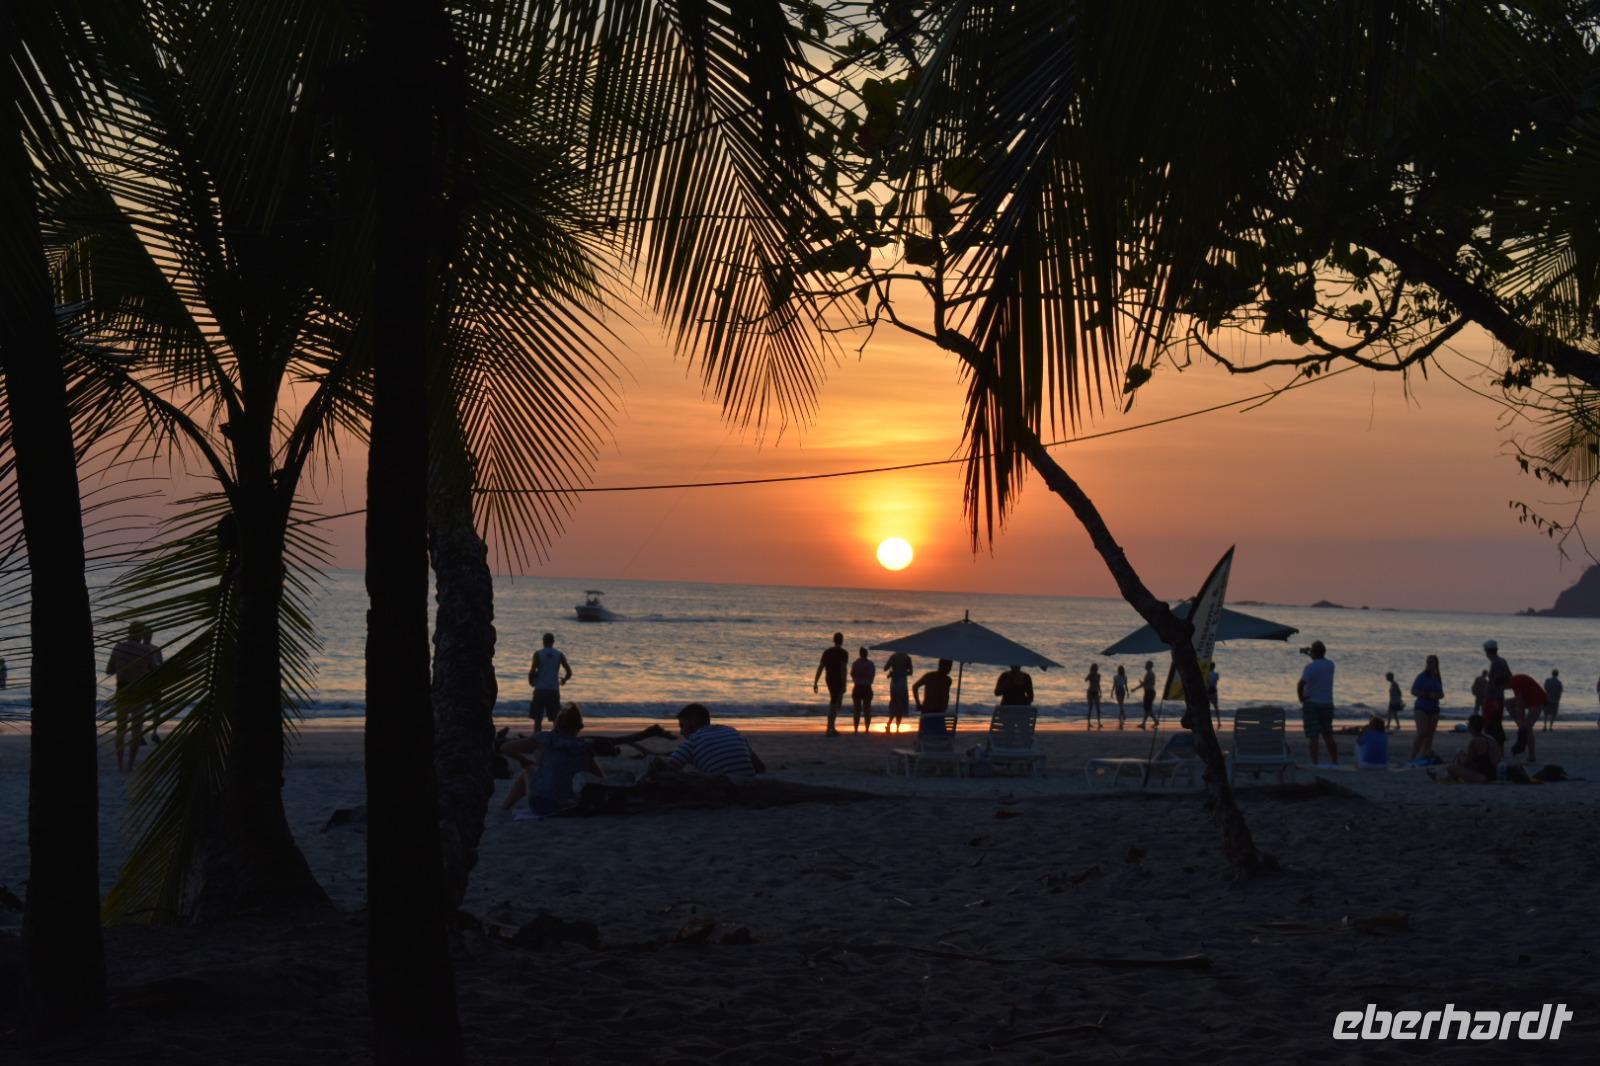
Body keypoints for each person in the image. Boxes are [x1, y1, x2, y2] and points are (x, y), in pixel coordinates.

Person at [499, 704, 602, 817]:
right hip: (565, 804)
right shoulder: (583, 749)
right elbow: (600, 777)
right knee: (536, 771)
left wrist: (522, 759)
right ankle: (505, 806)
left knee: (529, 768)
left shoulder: (545, 739)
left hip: (541, 804)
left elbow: (505, 748)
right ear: (579, 727)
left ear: (556, 723)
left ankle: (505, 806)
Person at [106, 622, 163, 772]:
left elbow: (109, 670)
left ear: (129, 632)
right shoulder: (146, 649)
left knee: (121, 728)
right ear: (140, 634)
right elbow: (155, 670)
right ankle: (130, 765)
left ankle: (119, 765)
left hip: (123, 689)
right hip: (139, 690)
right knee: (136, 731)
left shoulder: (118, 647)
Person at [662, 703, 764, 777]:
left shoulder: (692, 743)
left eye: (682, 725)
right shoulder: (731, 731)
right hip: (750, 785)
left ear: (692, 722)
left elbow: (670, 769)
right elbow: (760, 767)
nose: (681, 732)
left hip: (722, 790)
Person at [1297, 640, 1338, 766]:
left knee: (1313, 736)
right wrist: (1308, 652)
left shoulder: (1309, 668)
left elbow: (1301, 684)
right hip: (1327, 703)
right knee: (1328, 735)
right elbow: (1318, 659)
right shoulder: (1331, 665)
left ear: (1313, 653)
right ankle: (1334, 762)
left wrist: (1301, 698)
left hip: (1312, 703)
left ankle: (1315, 763)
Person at [528, 632, 572, 727]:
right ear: (553, 642)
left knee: (538, 720)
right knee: (555, 719)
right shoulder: (559, 654)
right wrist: (564, 680)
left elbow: (532, 671)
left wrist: (531, 682)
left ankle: (537, 739)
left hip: (540, 689)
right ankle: (554, 739)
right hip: (553, 690)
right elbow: (569, 672)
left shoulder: (538, 654)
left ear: (543, 642)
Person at [1444, 713, 1502, 784]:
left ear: (1470, 727)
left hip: (1483, 777)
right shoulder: (1490, 738)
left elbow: (1466, 762)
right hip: (1494, 774)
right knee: (1461, 754)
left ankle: (1450, 777)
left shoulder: (1474, 741)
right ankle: (1452, 776)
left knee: (1450, 768)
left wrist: (1459, 755)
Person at [1408, 655, 1445, 765]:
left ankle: (1424, 756)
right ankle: (1412, 756)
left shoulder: (1437, 678)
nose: (1429, 665)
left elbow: (1442, 694)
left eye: (1432, 662)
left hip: (1434, 708)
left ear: (1436, 664)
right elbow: (1413, 691)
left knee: (1430, 734)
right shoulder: (1421, 677)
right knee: (1422, 732)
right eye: (1428, 662)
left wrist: (1436, 695)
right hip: (1421, 707)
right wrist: (1425, 694)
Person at [813, 632, 850, 737]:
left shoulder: (827, 652)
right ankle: (829, 728)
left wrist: (816, 681)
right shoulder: (844, 653)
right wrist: (844, 684)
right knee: (835, 703)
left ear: (834, 640)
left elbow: (821, 667)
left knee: (835, 702)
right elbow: (843, 669)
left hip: (829, 679)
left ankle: (831, 727)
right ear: (842, 640)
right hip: (838, 679)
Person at [1506, 673, 1548, 763]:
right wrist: (1519, 721)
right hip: (1528, 699)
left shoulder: (1515, 683)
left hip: (1538, 700)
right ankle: (1520, 725)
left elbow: (1519, 703)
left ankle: (1532, 755)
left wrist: (1521, 720)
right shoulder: (1514, 681)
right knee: (1508, 703)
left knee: (1528, 729)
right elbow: (1519, 702)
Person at [1480, 640, 1512, 748]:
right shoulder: (1502, 661)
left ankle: (1492, 747)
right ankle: (1497, 747)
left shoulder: (1496, 663)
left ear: (1487, 651)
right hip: (1498, 698)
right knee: (1496, 724)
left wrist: (1496, 689)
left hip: (1493, 698)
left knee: (1489, 724)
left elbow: (1499, 681)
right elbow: (1509, 677)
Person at [913, 659, 955, 735]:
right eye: (949, 667)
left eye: (950, 667)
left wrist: (918, 704)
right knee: (939, 736)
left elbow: (915, 687)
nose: (949, 669)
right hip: (939, 714)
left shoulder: (929, 676)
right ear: (941, 665)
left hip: (927, 713)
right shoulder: (947, 680)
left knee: (925, 736)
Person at [883, 650, 914, 733]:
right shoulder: (907, 658)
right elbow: (911, 672)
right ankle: (897, 728)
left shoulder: (893, 657)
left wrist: (892, 672)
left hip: (894, 684)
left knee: (894, 703)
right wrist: (903, 672)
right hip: (902, 683)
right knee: (900, 705)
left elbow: (885, 668)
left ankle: (889, 724)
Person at [849, 647, 876, 733]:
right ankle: (867, 729)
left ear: (860, 654)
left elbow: (852, 674)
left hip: (858, 687)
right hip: (867, 687)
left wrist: (858, 678)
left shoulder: (855, 663)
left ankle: (856, 729)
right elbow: (872, 675)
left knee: (857, 710)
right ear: (866, 654)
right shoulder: (871, 664)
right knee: (867, 709)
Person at [1137, 660, 1159, 728]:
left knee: (1147, 709)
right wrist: (1143, 684)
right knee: (1148, 709)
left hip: (1149, 692)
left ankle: (1153, 722)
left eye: (1146, 665)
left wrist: (1135, 688)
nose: (1145, 666)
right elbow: (1149, 683)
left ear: (1149, 666)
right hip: (1150, 692)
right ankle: (1145, 723)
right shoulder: (1151, 673)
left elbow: (1145, 683)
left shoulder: (1149, 673)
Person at [1084, 663, 1103, 729]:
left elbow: (1098, 684)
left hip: (1096, 692)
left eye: (1096, 667)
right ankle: (1088, 723)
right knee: (1090, 708)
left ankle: (1099, 723)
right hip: (1090, 692)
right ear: (1092, 668)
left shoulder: (1098, 675)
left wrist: (1100, 691)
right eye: (1095, 668)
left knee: (1098, 708)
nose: (1096, 669)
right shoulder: (1091, 674)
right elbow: (1085, 680)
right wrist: (1090, 675)